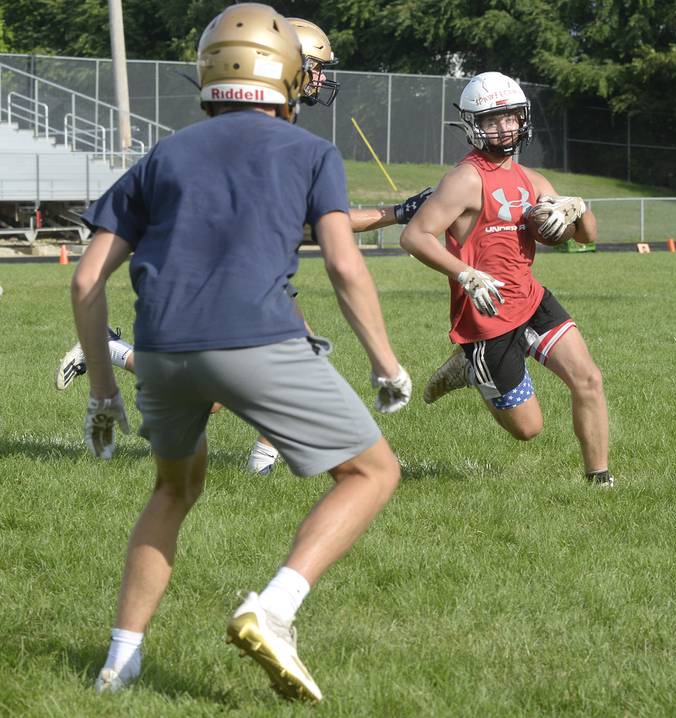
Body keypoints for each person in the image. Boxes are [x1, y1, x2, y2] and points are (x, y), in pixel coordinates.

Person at [73, 4, 411, 702]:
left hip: (162, 353)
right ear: (287, 73)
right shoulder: (312, 152)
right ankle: (275, 609)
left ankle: (118, 666)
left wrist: (103, 391)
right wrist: (386, 363)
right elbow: (346, 269)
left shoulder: (164, 153)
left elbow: (84, 281)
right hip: (255, 341)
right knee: (373, 472)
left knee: (172, 489)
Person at [55, 16, 432, 476]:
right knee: (300, 365)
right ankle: (262, 463)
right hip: (237, 273)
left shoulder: (247, 139)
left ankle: (113, 351)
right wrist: (386, 363)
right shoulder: (292, 147)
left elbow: (89, 275)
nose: (321, 77)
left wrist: (394, 212)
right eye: (313, 65)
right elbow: (324, 238)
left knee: (196, 440)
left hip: (217, 282)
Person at [399, 71, 614, 487]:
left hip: (532, 300)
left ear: (523, 118)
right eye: (492, 120)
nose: (504, 127)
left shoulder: (532, 180)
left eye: (511, 117)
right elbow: (414, 235)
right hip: (488, 314)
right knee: (527, 429)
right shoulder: (465, 179)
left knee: (588, 378)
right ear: (473, 126)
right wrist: (465, 274)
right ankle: (471, 365)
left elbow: (586, 238)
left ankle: (600, 481)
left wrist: (576, 207)